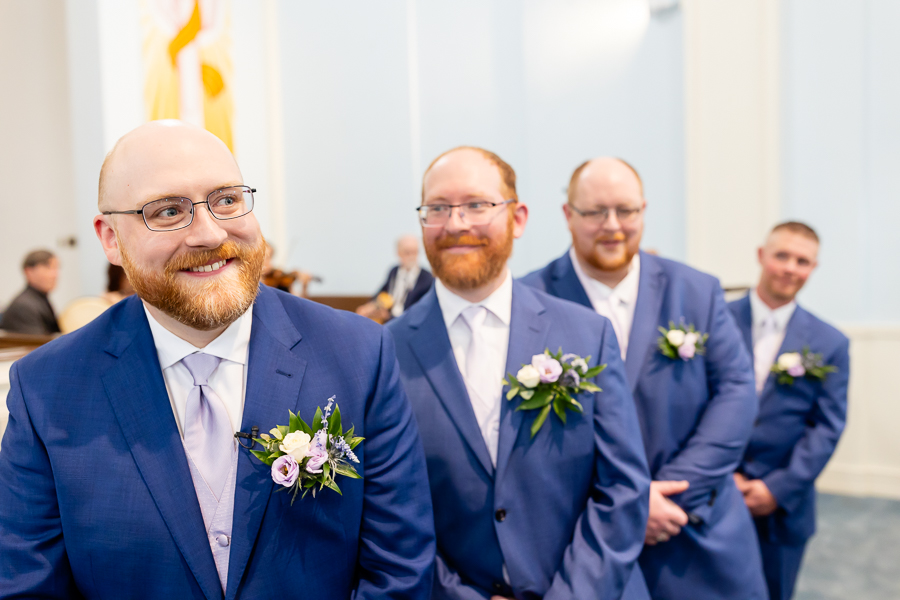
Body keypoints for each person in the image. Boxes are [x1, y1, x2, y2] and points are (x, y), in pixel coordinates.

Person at [0, 120, 435, 599]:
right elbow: (28, 586)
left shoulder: (359, 354)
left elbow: (399, 569)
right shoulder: (47, 388)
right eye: (168, 211)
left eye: (226, 200)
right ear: (110, 239)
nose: (209, 234)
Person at [387, 147, 652, 600]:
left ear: (518, 218)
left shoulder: (587, 334)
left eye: (477, 205)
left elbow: (623, 488)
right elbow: (388, 509)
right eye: (438, 208)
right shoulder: (384, 352)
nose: (456, 223)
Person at [521, 157, 767, 599]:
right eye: (595, 212)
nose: (612, 225)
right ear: (568, 215)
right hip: (584, 543)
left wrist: (670, 495)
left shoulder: (696, 290)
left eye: (626, 210)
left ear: (643, 211)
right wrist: (628, 507)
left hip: (692, 525)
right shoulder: (527, 299)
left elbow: (736, 393)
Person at [729, 222, 849, 600]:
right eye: (781, 256)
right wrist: (721, 475)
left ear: (813, 268)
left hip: (782, 506)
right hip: (714, 491)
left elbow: (827, 427)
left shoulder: (830, 342)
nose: (790, 268)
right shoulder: (716, 321)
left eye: (802, 261)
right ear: (761, 255)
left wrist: (776, 488)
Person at [357, 235, 434, 323]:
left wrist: (388, 317)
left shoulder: (426, 278)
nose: (411, 256)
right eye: (407, 252)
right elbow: (382, 292)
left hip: (406, 322)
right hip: (387, 319)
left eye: (415, 252)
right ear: (398, 253)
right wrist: (371, 306)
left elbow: (418, 311)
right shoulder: (394, 271)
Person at [0, 249, 61, 335]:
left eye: (56, 268)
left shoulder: (39, 300)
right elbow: (38, 342)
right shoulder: (23, 306)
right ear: (29, 271)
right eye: (48, 267)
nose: (55, 274)